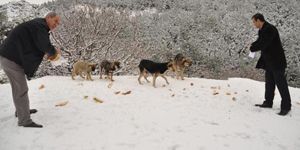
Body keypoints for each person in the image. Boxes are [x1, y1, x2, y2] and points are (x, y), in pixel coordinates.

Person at [0, 12, 61, 127]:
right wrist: (54, 51)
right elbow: (44, 44)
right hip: (11, 59)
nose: (56, 24)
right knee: (21, 89)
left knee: (17, 88)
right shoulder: (40, 26)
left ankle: (21, 111)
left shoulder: (38, 25)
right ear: (48, 18)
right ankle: (24, 120)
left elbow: (37, 45)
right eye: (55, 21)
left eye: (58, 23)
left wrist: (48, 52)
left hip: (9, 57)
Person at [250, 13, 291, 116]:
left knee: (281, 85)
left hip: (277, 62)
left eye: (254, 22)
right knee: (269, 83)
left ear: (259, 20)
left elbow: (265, 43)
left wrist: (254, 48)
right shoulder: (261, 30)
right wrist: (252, 45)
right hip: (268, 62)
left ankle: (286, 106)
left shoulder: (270, 29)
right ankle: (268, 102)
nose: (254, 24)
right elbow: (259, 41)